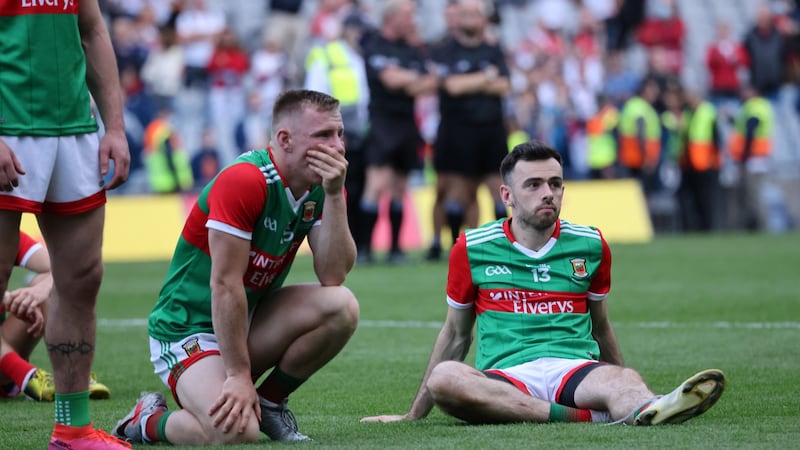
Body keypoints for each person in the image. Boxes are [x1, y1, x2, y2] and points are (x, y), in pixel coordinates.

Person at [361, 141, 725, 427]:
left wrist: (622, 379)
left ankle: (648, 407)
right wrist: (414, 415)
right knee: (445, 379)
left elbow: (601, 328)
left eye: (555, 183)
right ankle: (588, 417)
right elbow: (456, 335)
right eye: (533, 185)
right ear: (507, 196)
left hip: (575, 371)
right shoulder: (471, 248)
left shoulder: (591, 244)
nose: (547, 192)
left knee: (624, 382)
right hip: (505, 377)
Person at [113, 90, 360, 446]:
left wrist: (335, 196)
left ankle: (270, 403)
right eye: (323, 135)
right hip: (188, 329)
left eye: (339, 134)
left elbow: (333, 275)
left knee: (342, 305)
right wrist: (238, 374)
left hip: (244, 320)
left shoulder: (322, 186)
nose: (337, 147)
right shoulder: (245, 180)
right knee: (236, 432)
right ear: (284, 140)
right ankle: (148, 420)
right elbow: (225, 284)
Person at [0, 0, 131, 448]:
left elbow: (92, 31)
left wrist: (113, 125)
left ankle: (72, 430)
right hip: (7, 126)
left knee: (81, 279)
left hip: (74, 128)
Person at [426, 0, 511, 262]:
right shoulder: (445, 50)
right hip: (457, 130)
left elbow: (504, 86)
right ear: (457, 18)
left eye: (477, 13)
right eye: (467, 14)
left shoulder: (494, 49)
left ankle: (502, 247)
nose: (472, 18)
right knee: (456, 191)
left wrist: (471, 82)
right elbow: (452, 86)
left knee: (498, 188)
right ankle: (453, 247)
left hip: (492, 129)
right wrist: (486, 77)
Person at [355, 0, 438, 264]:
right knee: (377, 183)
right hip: (382, 121)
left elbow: (430, 83)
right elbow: (390, 80)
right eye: (408, 15)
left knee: (400, 186)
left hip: (406, 122)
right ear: (392, 18)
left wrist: (406, 79)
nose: (412, 21)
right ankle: (365, 248)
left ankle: (395, 249)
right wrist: (412, 79)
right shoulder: (375, 44)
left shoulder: (413, 50)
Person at [0, 232, 111, 402]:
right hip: (8, 366)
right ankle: (29, 377)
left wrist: (35, 294)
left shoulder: (9, 235)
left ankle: (74, 378)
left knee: (48, 284)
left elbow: (63, 270)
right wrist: (8, 300)